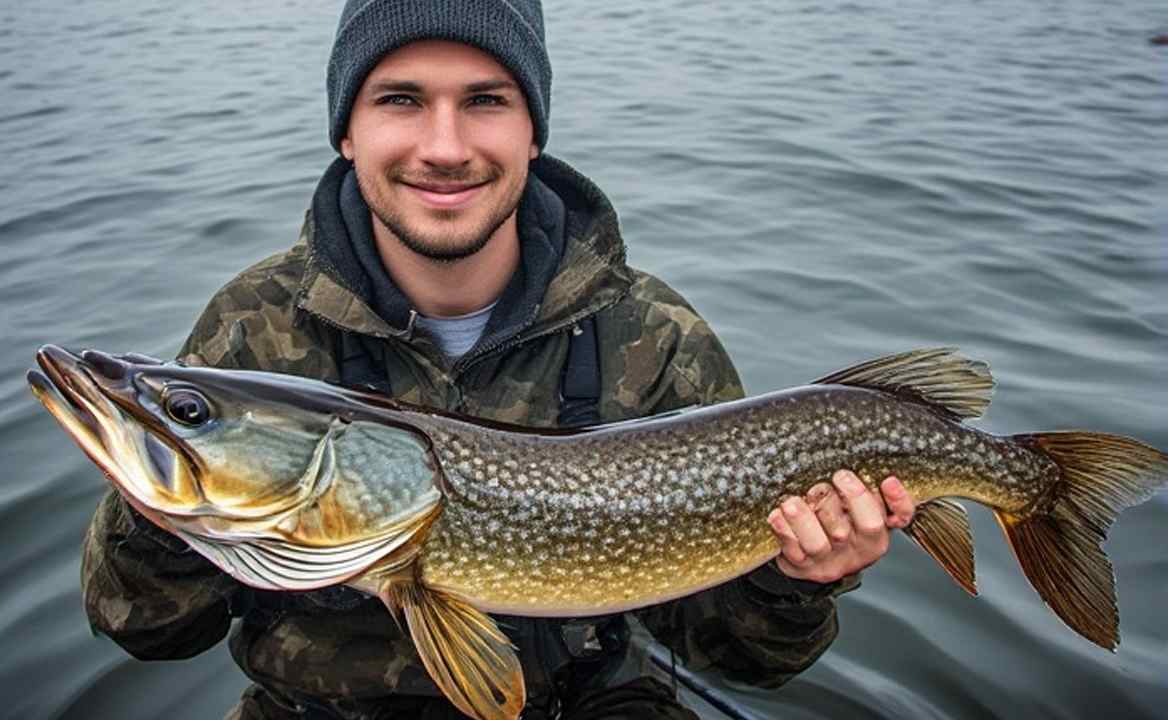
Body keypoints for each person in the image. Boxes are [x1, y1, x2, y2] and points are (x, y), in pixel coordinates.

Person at [81, 2, 915, 718]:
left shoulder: (652, 334)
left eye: (485, 100)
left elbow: (740, 660)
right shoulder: (250, 328)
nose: (444, 147)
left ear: (531, 128)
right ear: (347, 129)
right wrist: (162, 503)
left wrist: (795, 581)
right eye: (401, 99)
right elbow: (148, 631)